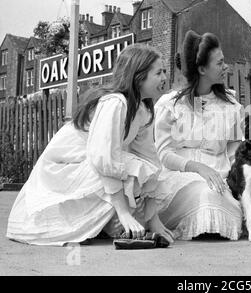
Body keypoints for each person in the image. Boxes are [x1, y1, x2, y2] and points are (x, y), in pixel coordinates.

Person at [6, 44, 174, 246]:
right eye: (158, 72)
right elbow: (103, 158)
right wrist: (122, 211)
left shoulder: (143, 109)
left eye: (164, 71)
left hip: (94, 163)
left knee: (138, 166)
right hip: (66, 166)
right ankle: (92, 222)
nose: (164, 78)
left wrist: (152, 219)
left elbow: (149, 158)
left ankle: (110, 224)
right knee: (127, 168)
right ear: (138, 77)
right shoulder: (115, 103)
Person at [153, 30, 243, 240]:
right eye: (220, 63)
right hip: (178, 178)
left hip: (219, 180)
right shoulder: (170, 105)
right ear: (202, 69)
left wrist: (240, 180)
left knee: (214, 193)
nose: (226, 67)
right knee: (205, 193)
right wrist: (199, 168)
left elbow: (234, 150)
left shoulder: (232, 106)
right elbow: (163, 153)